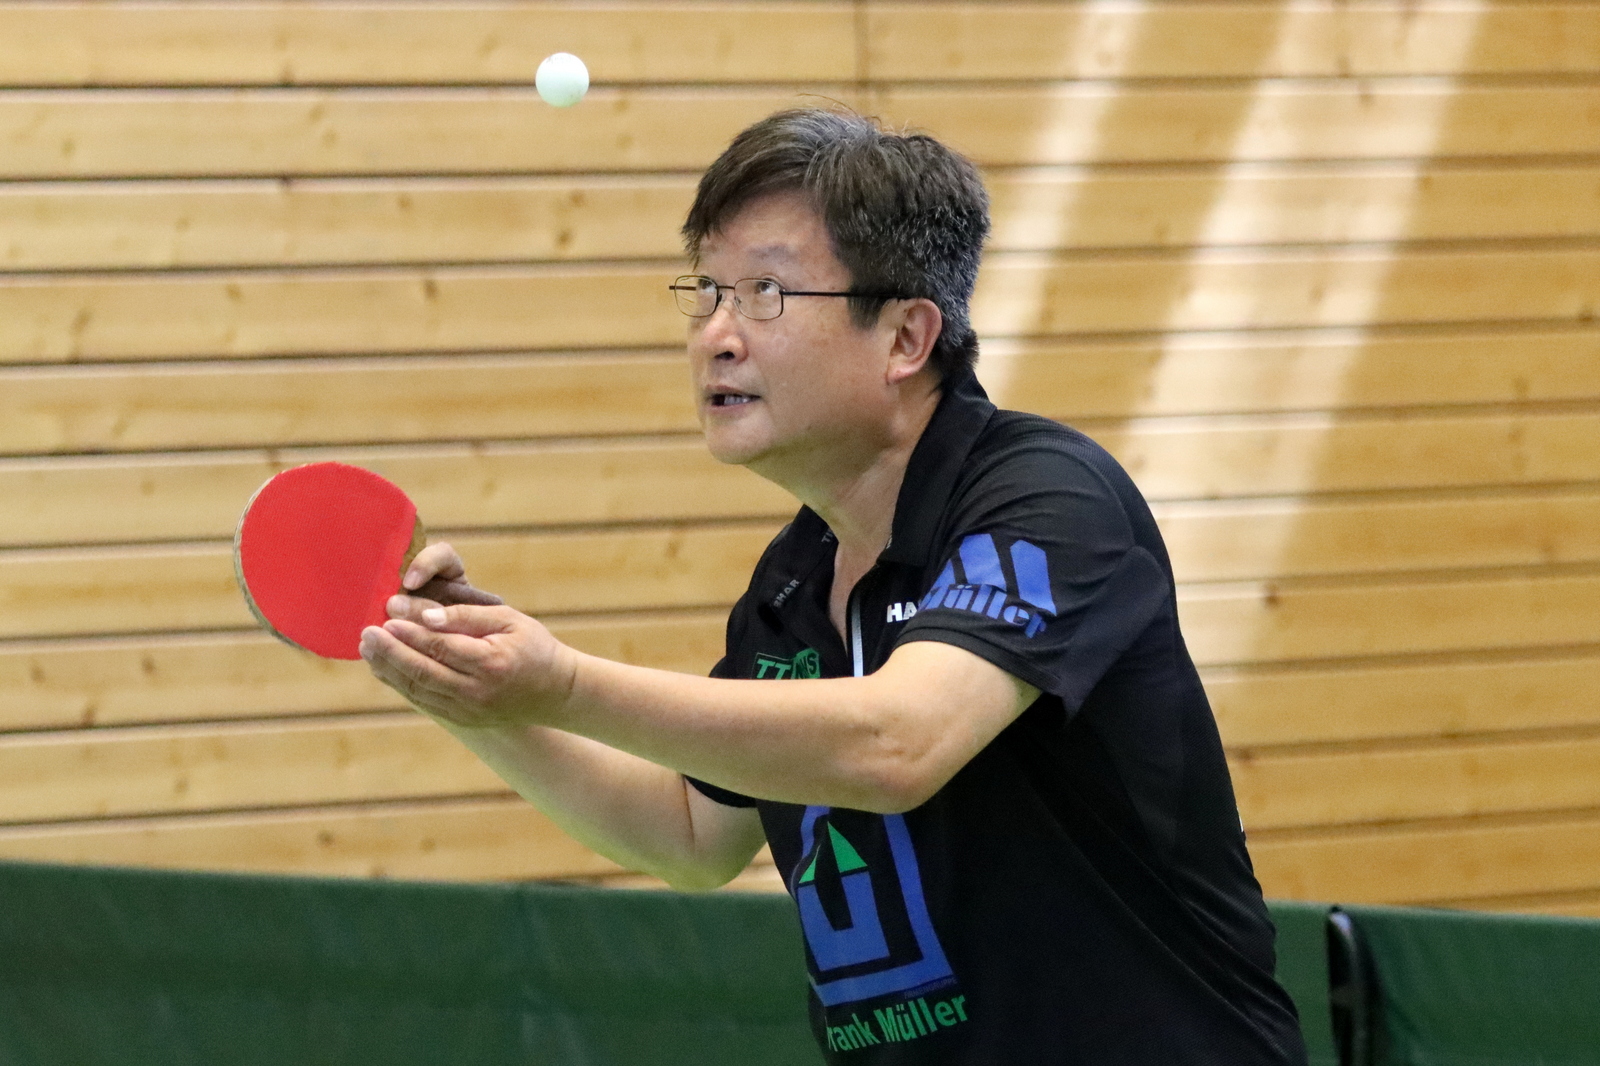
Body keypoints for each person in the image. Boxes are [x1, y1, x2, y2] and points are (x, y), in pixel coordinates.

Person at [360, 108, 1308, 1064]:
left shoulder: (1048, 500)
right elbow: (688, 832)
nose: (716, 336)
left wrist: (562, 682)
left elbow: (898, 741)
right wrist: (460, 683)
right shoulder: (793, 584)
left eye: (766, 293)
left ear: (905, 337)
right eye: (708, 292)